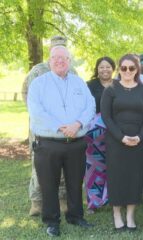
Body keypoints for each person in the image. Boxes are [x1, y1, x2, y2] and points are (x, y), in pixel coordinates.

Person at [27, 46, 95, 237]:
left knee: (75, 182)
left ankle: (75, 216)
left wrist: (78, 123)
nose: (59, 61)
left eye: (64, 58)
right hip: (48, 143)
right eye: (55, 58)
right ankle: (52, 221)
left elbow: (90, 105)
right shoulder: (38, 84)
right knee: (49, 185)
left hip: (76, 142)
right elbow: (36, 111)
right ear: (49, 61)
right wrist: (61, 126)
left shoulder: (79, 83)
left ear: (69, 61)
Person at [22, 36, 77, 217]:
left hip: (65, 129)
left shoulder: (73, 71)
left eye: (62, 48)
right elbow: (26, 92)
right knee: (39, 166)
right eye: (56, 48)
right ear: (50, 51)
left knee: (63, 166)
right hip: (41, 128)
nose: (59, 52)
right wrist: (36, 114)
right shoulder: (38, 70)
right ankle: (37, 201)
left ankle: (62, 199)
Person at [101, 54, 143, 231]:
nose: (128, 71)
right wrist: (121, 137)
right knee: (117, 177)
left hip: (139, 142)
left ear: (137, 69)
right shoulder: (111, 90)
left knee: (135, 177)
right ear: (119, 70)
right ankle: (117, 213)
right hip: (116, 141)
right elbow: (106, 117)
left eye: (132, 68)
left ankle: (130, 214)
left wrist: (140, 136)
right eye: (124, 68)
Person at [84, 56, 116, 213]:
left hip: (115, 133)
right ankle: (93, 202)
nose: (105, 70)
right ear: (97, 69)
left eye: (108, 67)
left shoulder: (119, 85)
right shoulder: (89, 86)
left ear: (113, 68)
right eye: (101, 67)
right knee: (94, 167)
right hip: (94, 135)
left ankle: (111, 198)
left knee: (113, 165)